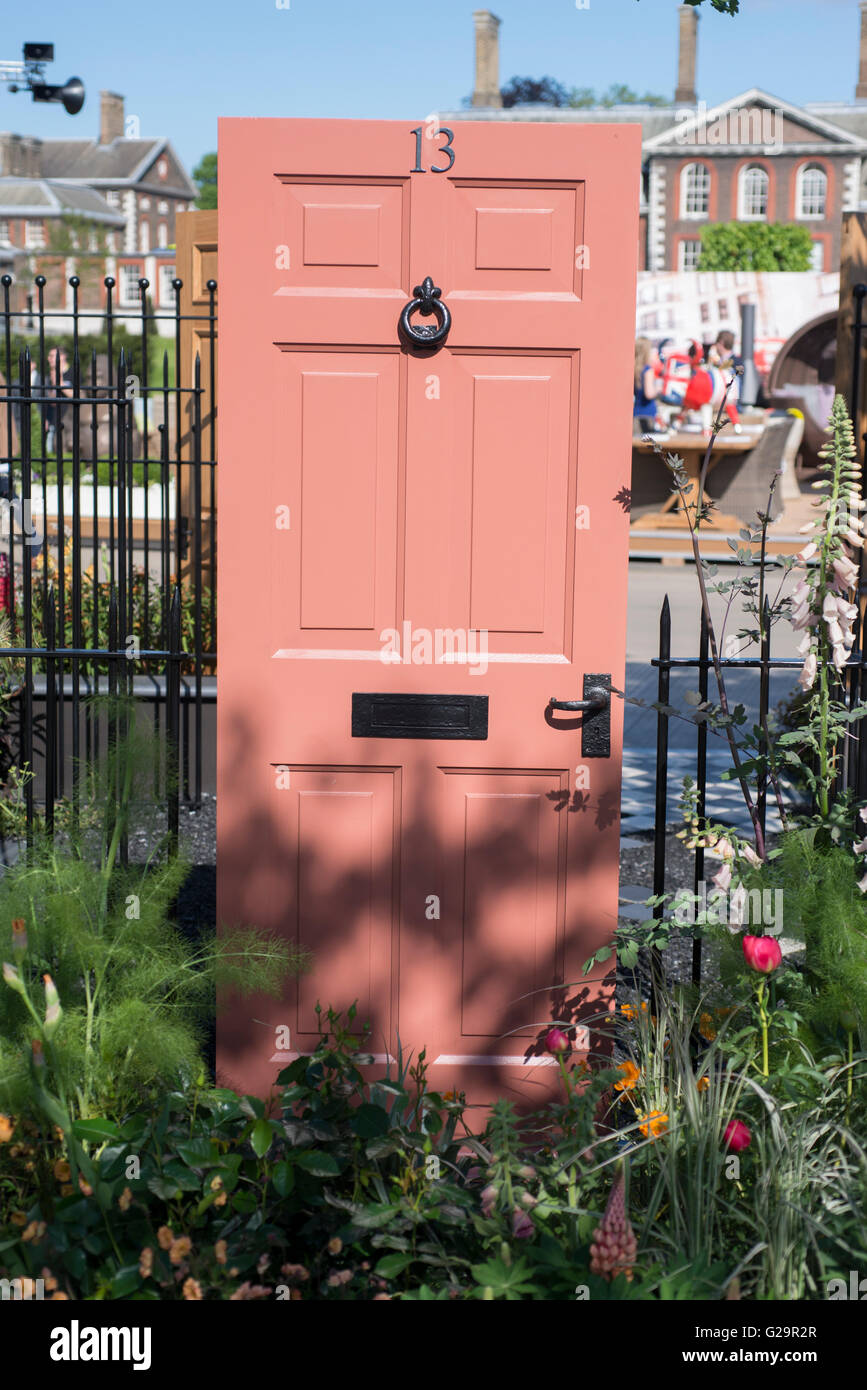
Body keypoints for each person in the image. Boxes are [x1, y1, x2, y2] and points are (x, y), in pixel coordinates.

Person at [634, 337, 660, 420]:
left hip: (636, 412)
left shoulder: (634, 369)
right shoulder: (648, 370)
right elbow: (649, 394)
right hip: (648, 413)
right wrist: (659, 389)